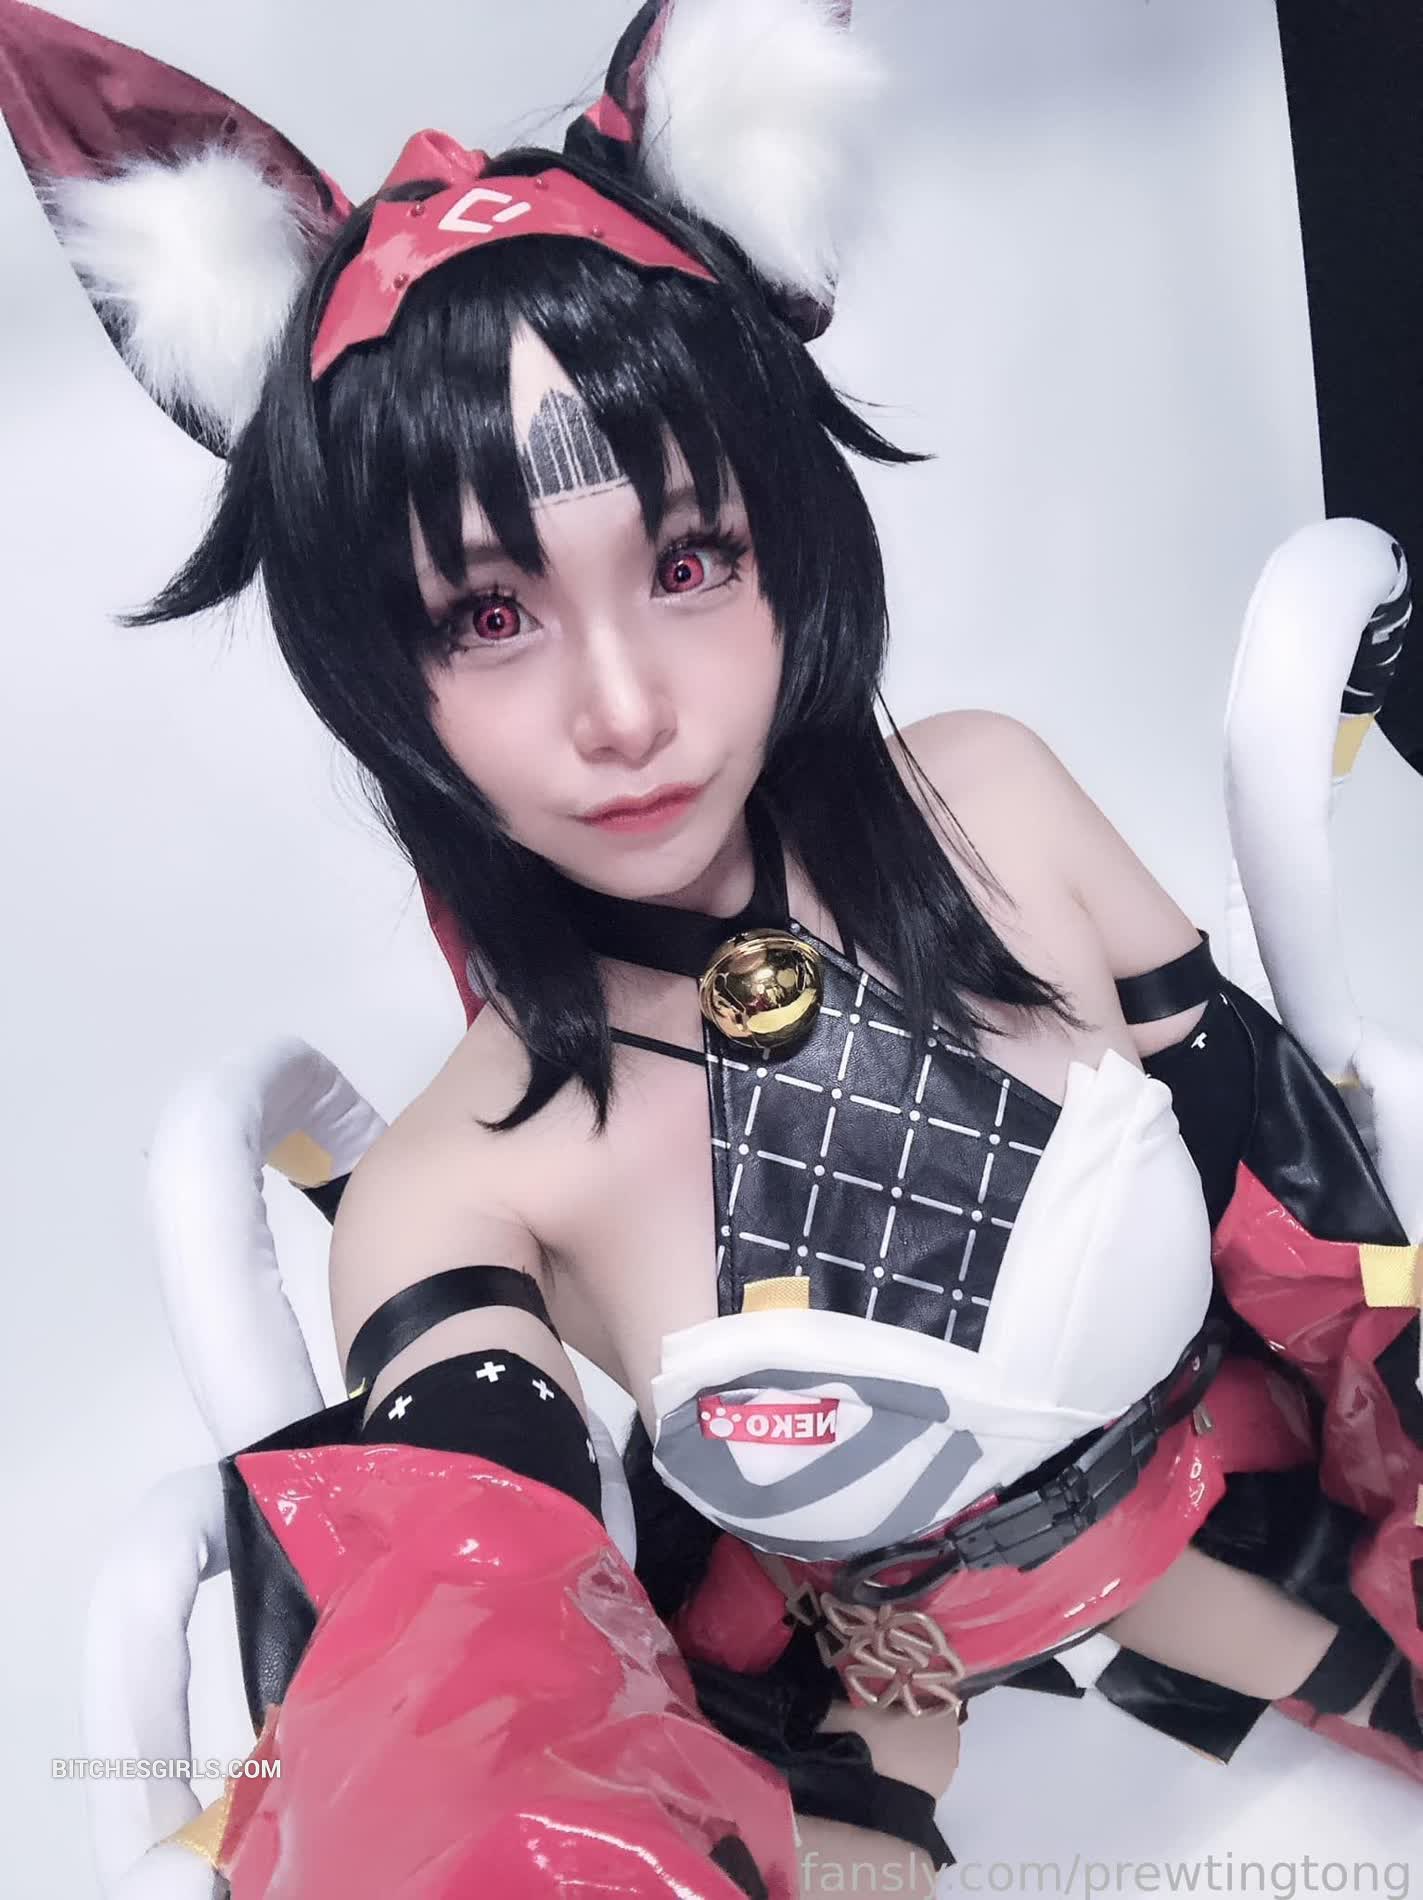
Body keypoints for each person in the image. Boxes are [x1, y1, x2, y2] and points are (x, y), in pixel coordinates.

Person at [2, 1, 1418, 1894]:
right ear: (373, 668)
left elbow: (1300, 1206)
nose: (623, 710)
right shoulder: (451, 1192)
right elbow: (468, 1648)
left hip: (1212, 1524)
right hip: (866, 1673)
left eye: (685, 565)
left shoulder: (988, 807)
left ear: (786, 544)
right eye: (487, 614)